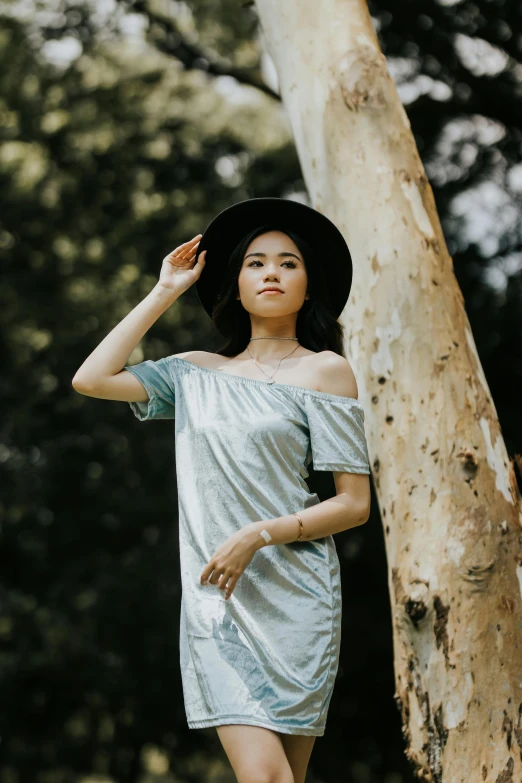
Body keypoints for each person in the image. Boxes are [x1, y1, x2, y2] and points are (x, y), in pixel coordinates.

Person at [72, 197, 371, 783]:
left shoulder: (327, 371)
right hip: (218, 602)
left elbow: (353, 503)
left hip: (298, 599)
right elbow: (91, 378)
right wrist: (165, 290)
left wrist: (257, 535)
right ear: (235, 283)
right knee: (266, 778)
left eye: (288, 264)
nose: (271, 274)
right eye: (256, 263)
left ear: (309, 287)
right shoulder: (193, 372)